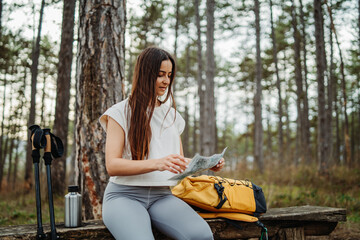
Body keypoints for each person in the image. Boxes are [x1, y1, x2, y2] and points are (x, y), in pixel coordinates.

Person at [99, 46, 225, 240]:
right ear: (145, 74)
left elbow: (178, 162)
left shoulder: (173, 116)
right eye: (160, 75)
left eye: (169, 75)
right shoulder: (119, 112)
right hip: (124, 196)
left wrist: (207, 163)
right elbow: (112, 165)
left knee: (202, 236)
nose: (166, 80)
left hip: (163, 196)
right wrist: (157, 163)